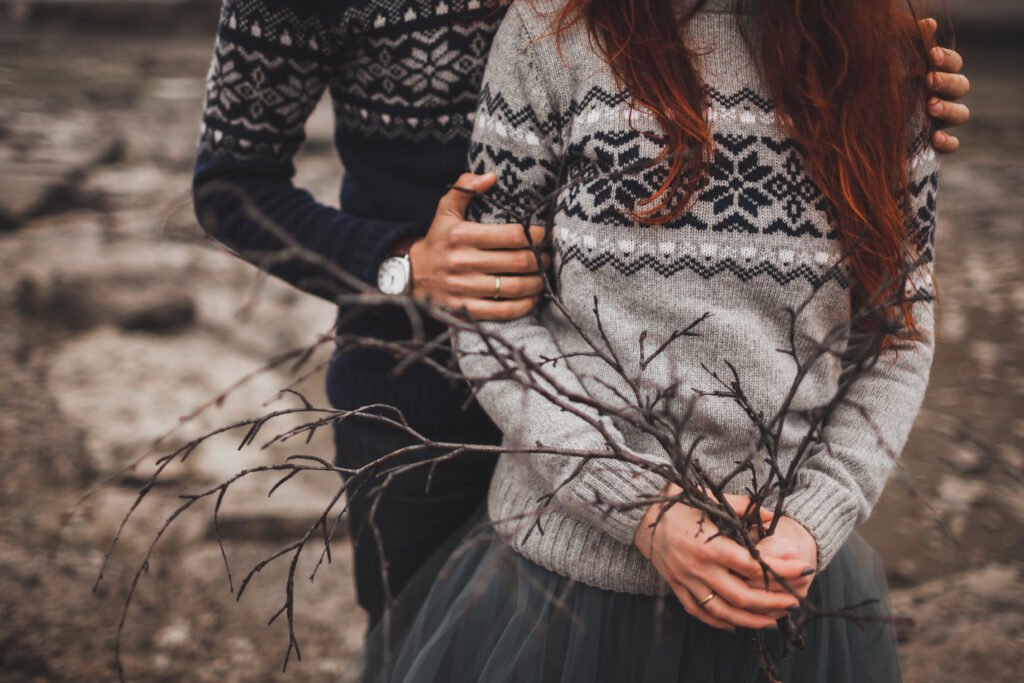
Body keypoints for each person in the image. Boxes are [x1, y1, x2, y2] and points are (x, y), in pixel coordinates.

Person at [192, 0, 969, 634]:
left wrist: (878, 61)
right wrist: (400, 263)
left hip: (639, 378)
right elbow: (230, 184)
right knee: (421, 640)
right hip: (423, 379)